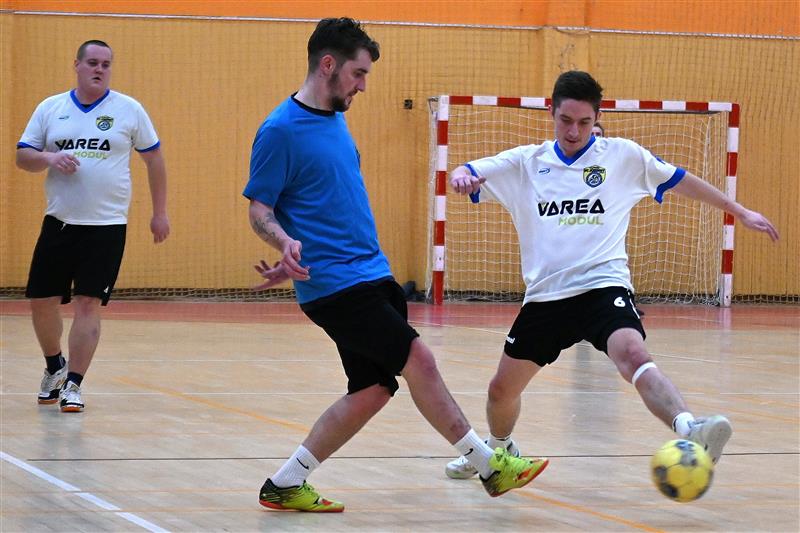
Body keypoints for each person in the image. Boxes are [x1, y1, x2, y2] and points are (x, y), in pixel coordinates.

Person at [243, 17, 547, 513]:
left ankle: (285, 482)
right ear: (328, 65)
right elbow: (260, 209)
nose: (363, 85)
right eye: (358, 74)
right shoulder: (279, 131)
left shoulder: (335, 119)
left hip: (371, 273)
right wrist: (284, 242)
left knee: (372, 389)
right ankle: (490, 465)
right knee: (419, 360)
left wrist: (291, 247)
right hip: (335, 284)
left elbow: (321, 203)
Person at [444, 70, 779, 480]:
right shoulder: (526, 163)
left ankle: (691, 429)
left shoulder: (623, 156)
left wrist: (740, 211)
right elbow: (466, 169)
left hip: (603, 286)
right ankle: (498, 452)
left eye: (584, 122)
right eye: (566, 120)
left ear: (596, 118)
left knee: (633, 354)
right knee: (501, 391)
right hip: (547, 297)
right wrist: (461, 176)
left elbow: (680, 180)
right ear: (552, 112)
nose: (574, 130)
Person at [16, 40, 169, 413]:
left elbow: (154, 160)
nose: (100, 69)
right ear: (78, 65)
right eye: (93, 63)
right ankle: (54, 367)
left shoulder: (129, 110)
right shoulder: (51, 108)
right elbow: (23, 156)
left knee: (88, 302)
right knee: (42, 301)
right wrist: (50, 157)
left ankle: (74, 384)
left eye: (106, 64)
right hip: (59, 222)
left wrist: (160, 212)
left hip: (106, 225)